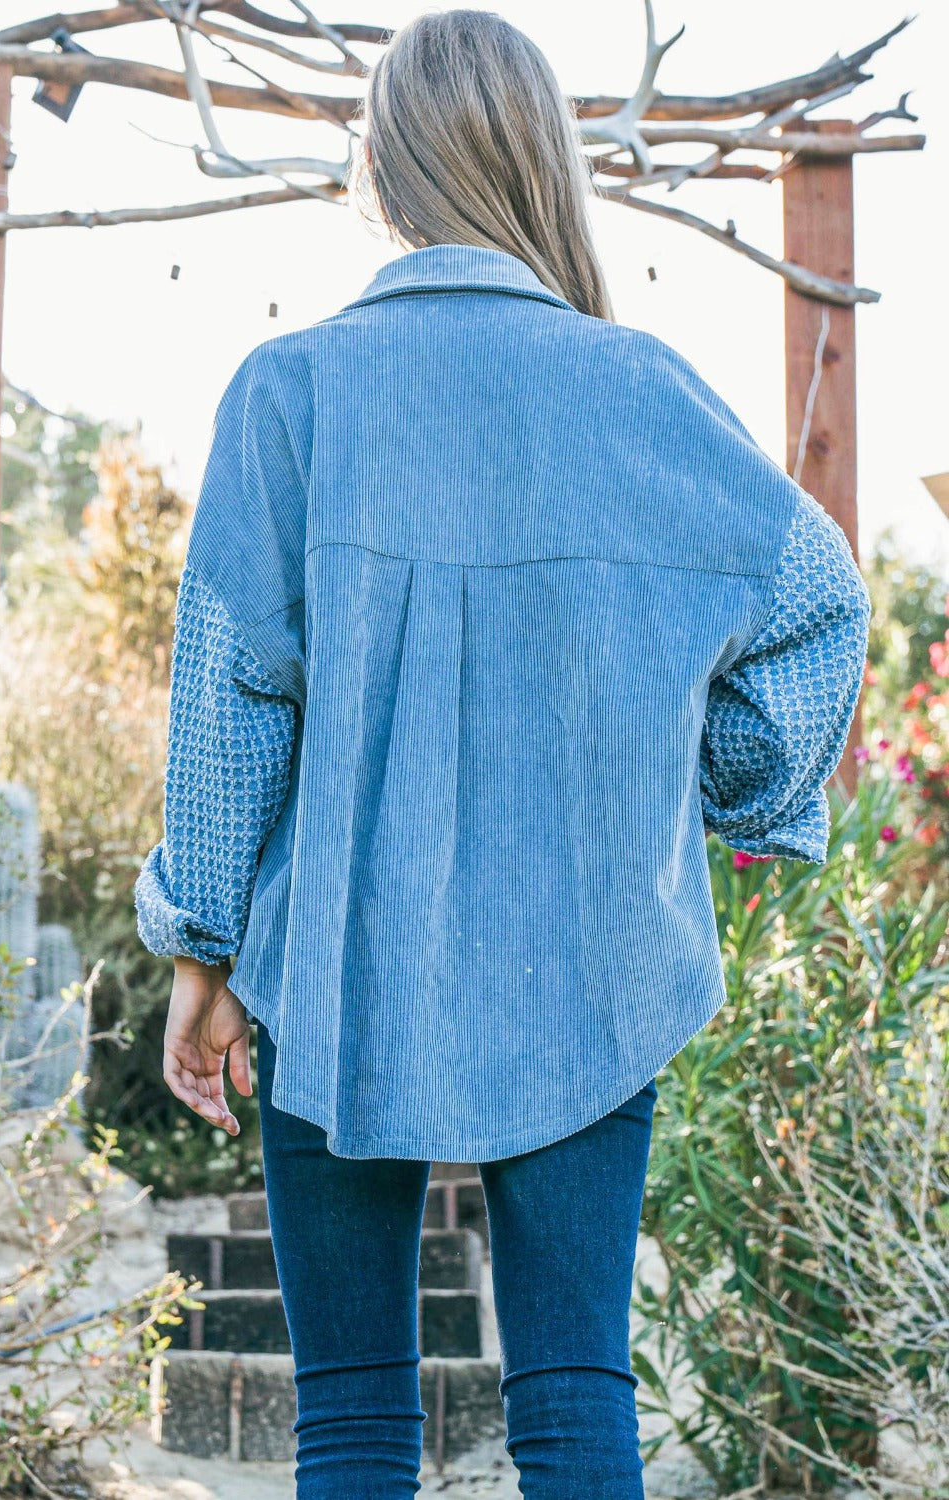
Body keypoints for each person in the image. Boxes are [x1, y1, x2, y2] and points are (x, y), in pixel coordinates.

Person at [134, 9, 872, 1497]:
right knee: (580, 1401)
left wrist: (201, 951)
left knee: (346, 1421)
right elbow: (820, 603)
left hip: (334, 972)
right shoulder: (643, 392)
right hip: (595, 964)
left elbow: (231, 700)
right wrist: (728, 782)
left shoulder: (292, 395)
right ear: (542, 162)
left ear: (383, 167)